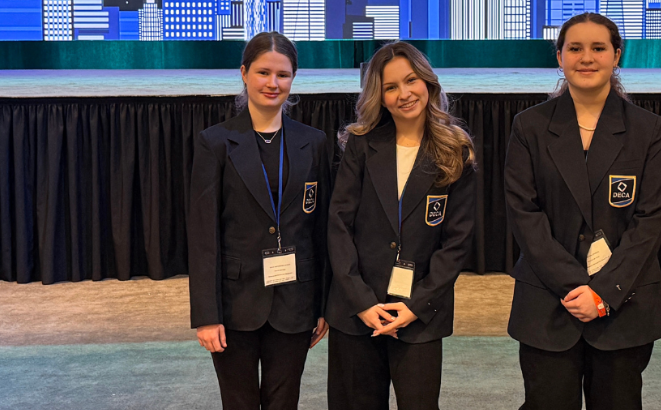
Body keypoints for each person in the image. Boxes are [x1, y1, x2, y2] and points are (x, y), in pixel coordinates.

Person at [505, 13, 661, 410]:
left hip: (623, 303)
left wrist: (602, 293)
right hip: (549, 303)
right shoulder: (528, 127)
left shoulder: (648, 129)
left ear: (617, 56)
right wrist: (573, 286)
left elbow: (651, 219)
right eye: (575, 48)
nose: (586, 57)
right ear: (559, 57)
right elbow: (524, 216)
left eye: (598, 48)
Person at [326, 41, 476, 410]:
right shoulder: (361, 145)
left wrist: (417, 304)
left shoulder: (455, 152)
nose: (404, 94)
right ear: (380, 95)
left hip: (420, 314)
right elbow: (338, 226)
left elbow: (456, 243)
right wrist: (361, 301)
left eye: (411, 81)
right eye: (390, 87)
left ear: (428, 82)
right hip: (357, 313)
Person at [187, 31, 331, 410]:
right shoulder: (215, 142)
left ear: (293, 79)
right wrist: (206, 315)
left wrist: (322, 305)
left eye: (282, 75)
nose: (273, 83)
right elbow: (203, 236)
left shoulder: (313, 142)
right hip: (235, 305)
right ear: (244, 73)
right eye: (263, 72)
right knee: (239, 403)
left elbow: (320, 232)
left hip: (295, 303)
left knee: (285, 402)